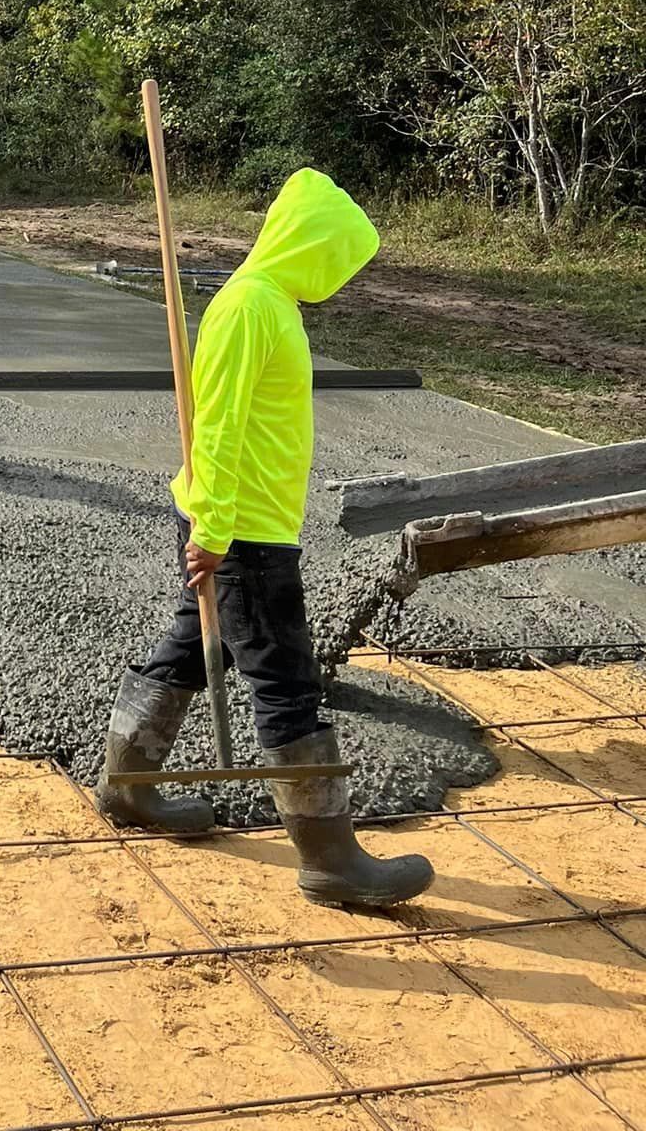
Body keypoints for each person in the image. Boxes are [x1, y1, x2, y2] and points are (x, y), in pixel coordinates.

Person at [97, 167, 434, 909]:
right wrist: (212, 530)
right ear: (308, 245)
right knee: (286, 682)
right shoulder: (250, 306)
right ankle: (331, 859)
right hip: (242, 531)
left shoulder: (272, 301)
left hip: (247, 525)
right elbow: (214, 427)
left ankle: (129, 786)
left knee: (193, 647)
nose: (339, 277)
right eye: (336, 259)